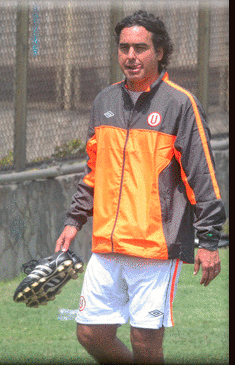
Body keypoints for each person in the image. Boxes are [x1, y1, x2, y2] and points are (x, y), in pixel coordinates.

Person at [55, 10, 226, 363]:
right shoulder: (104, 101)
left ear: (159, 51)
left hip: (155, 247)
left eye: (140, 48)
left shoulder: (181, 104)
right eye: (124, 48)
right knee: (90, 333)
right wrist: (74, 222)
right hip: (107, 243)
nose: (130, 56)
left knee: (145, 343)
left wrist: (209, 241)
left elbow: (202, 176)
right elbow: (93, 171)